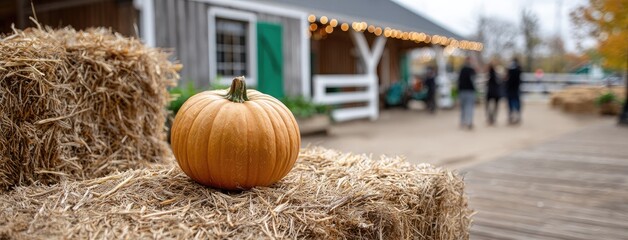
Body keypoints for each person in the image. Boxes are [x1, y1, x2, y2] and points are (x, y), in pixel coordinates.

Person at [457, 57, 476, 129]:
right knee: (469, 107)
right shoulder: (471, 70)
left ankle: (463, 122)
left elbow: (458, 81)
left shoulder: (462, 69)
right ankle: (469, 122)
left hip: (463, 91)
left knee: (463, 107)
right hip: (469, 91)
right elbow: (474, 81)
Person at [506, 57, 522, 124]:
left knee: (511, 103)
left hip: (510, 89)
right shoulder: (518, 69)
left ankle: (512, 116)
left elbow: (507, 78)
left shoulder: (509, 69)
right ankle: (516, 115)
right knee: (516, 103)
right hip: (516, 89)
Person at [485, 61, 502, 125]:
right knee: (495, 106)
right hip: (496, 93)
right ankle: (493, 117)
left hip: (490, 93)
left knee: (488, 106)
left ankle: (490, 117)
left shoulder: (489, 75)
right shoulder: (497, 75)